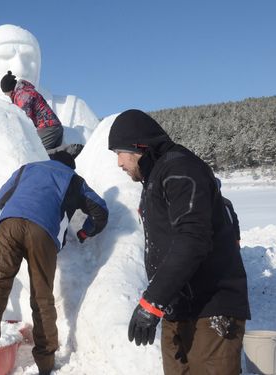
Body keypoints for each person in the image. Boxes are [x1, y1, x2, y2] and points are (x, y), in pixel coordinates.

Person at [107, 109, 250, 374]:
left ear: (138, 146)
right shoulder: (155, 178)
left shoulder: (180, 169)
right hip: (176, 307)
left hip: (210, 306)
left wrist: (152, 301)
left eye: (119, 152)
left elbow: (192, 238)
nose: (118, 163)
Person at [0, 151, 109, 375]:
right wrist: (84, 232)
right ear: (71, 167)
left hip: (8, 225)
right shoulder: (74, 180)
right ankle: (45, 362)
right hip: (42, 232)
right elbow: (100, 211)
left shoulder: (28, 168)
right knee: (41, 297)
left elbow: (1, 198)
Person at [1, 70, 64, 151]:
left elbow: (25, 120)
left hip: (47, 128)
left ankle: (69, 150)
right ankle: (64, 153)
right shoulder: (25, 90)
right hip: (54, 127)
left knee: (37, 153)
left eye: (5, 93)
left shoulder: (22, 95)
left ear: (10, 90)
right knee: (51, 159)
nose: (6, 95)